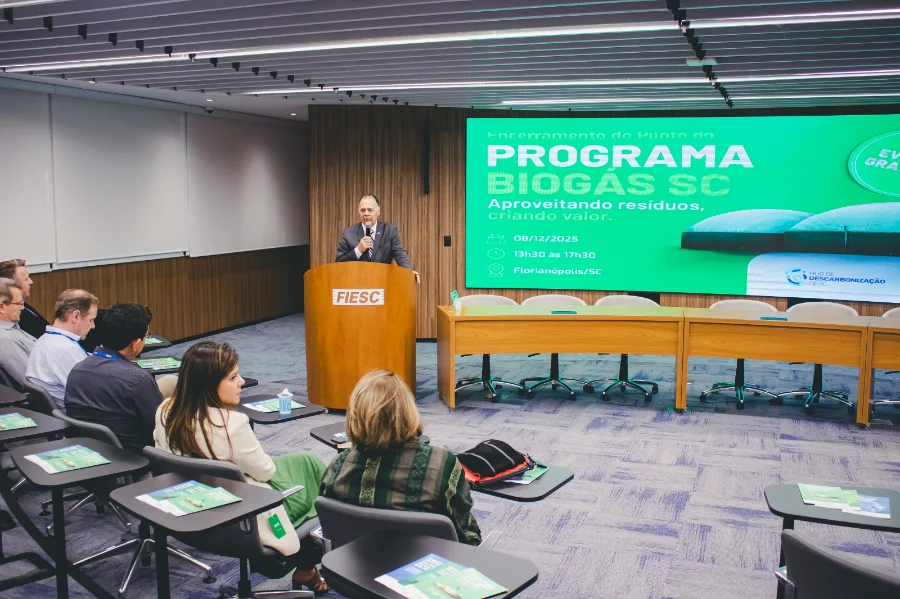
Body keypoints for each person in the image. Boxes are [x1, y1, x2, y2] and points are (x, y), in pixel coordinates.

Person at [153, 342, 329, 593]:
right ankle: (308, 566)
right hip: (242, 512)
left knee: (305, 461)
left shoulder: (165, 410)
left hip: (191, 506)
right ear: (209, 384)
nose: (242, 382)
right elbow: (265, 472)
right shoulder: (231, 424)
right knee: (320, 493)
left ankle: (307, 569)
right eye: (233, 377)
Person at [321, 369, 482, 546]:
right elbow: (466, 535)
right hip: (428, 569)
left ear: (354, 415)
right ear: (408, 411)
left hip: (355, 569)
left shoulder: (338, 468)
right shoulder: (442, 466)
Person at [65, 303, 174, 455]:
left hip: (86, 450)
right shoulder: (138, 380)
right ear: (135, 344)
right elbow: (160, 429)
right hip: (133, 458)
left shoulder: (77, 370)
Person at [25, 289, 98, 409]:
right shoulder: (67, 350)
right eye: (91, 320)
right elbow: (93, 393)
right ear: (75, 316)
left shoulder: (45, 339)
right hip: (78, 417)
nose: (93, 326)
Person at [335, 194, 420, 281]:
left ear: (378, 211)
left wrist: (408, 271)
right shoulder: (348, 233)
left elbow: (400, 254)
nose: (366, 213)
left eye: (370, 210)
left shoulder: (389, 231)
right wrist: (358, 250)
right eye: (362, 210)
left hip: (382, 283)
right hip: (357, 285)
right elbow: (339, 263)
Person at [0, 278, 36, 391]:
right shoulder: (5, 340)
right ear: (2, 307)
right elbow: (32, 380)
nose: (23, 308)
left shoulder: (13, 327)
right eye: (19, 303)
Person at [0, 259, 49, 340]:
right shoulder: (15, 315)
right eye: (26, 279)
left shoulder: (24, 306)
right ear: (10, 283)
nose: (31, 281)